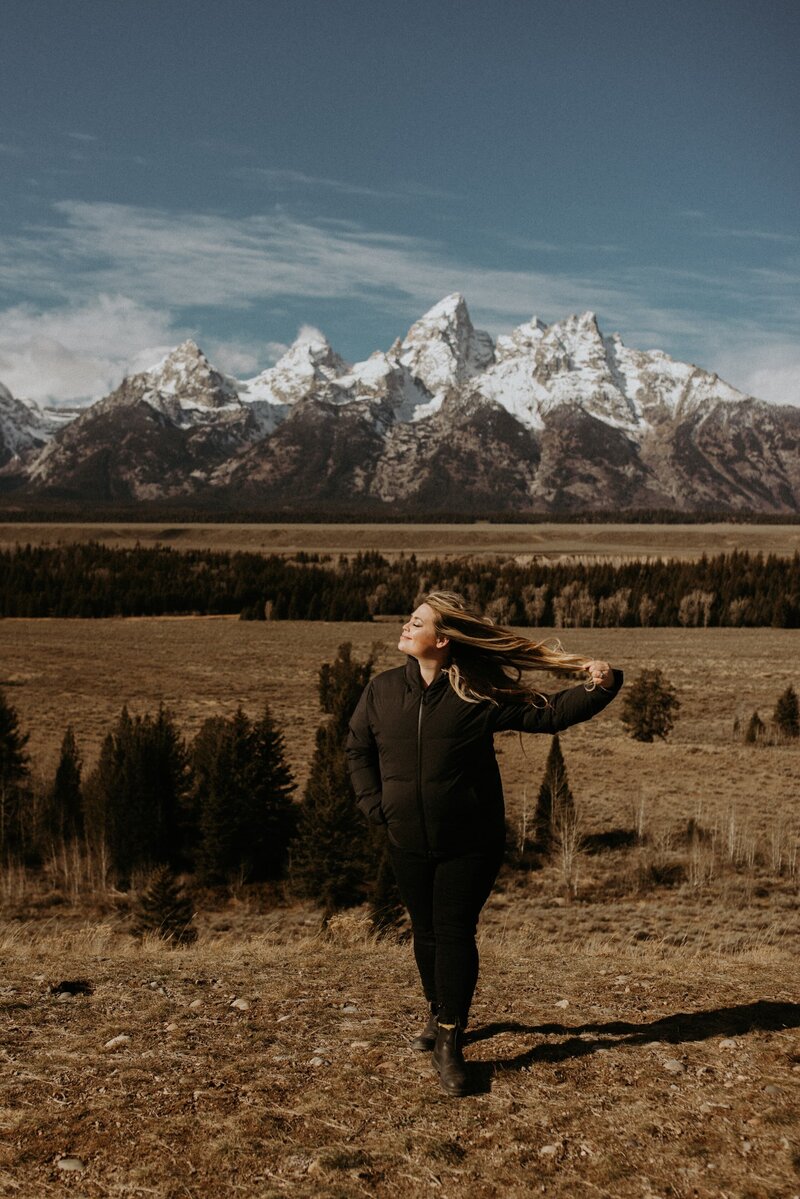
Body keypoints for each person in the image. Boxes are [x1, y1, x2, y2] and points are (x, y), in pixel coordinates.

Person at [346, 590, 622, 1097]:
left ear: (443, 639)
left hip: (469, 842)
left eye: (417, 622)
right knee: (425, 932)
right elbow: (358, 747)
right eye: (410, 621)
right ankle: (438, 1013)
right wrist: (374, 807)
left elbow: (550, 712)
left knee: (452, 931)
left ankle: (451, 1038)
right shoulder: (382, 691)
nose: (406, 627)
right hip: (405, 839)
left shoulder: (477, 694)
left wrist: (602, 688)